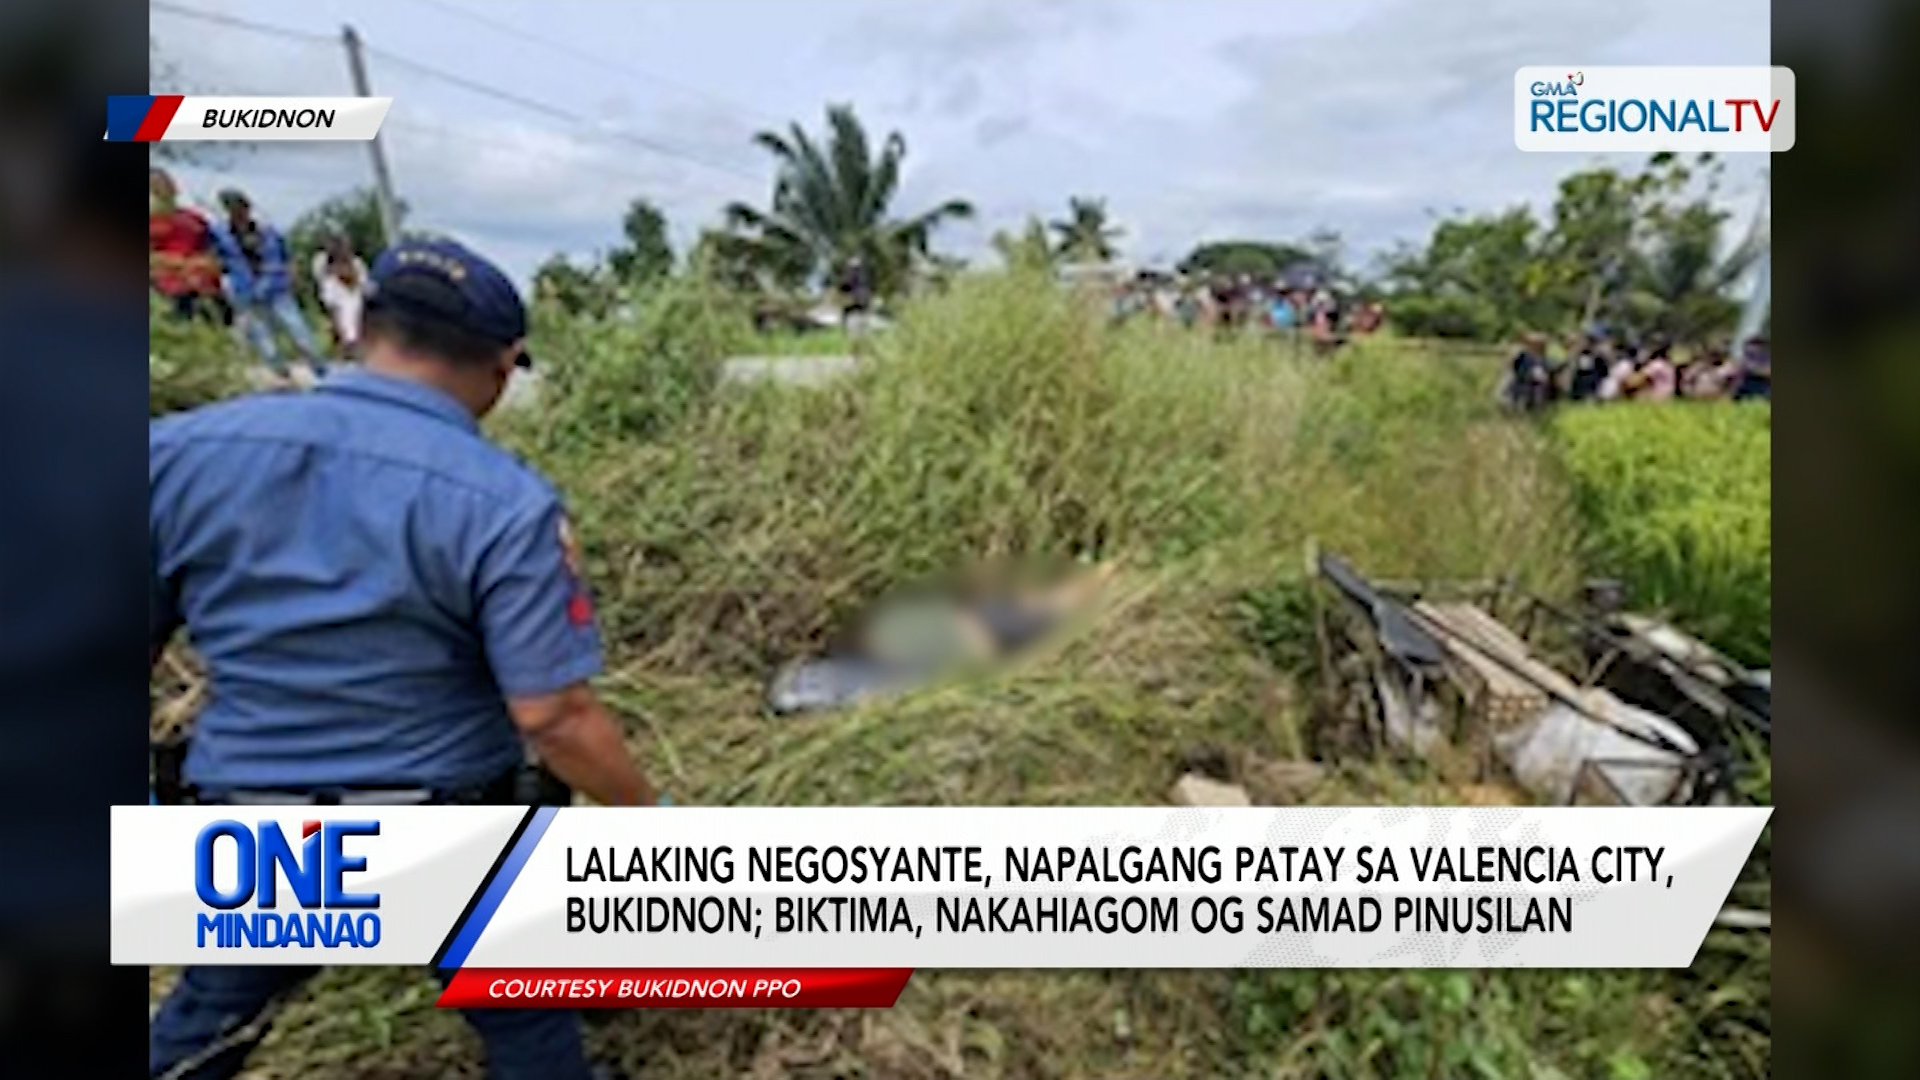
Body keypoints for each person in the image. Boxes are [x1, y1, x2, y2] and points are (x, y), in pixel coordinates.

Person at [148, 238, 652, 1080]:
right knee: (525, 1021)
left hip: (255, 829)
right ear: (501, 366)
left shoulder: (176, 455)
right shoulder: (504, 501)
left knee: (208, 1023)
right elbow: (554, 716)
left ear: (357, 330)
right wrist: (648, 818)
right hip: (450, 827)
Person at [209, 188, 327, 379]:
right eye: (232, 207)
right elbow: (216, 260)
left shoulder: (268, 231)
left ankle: (320, 368)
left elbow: (286, 256)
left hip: (276, 287)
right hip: (245, 292)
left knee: (298, 330)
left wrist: (290, 275)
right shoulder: (220, 235)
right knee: (264, 339)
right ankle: (281, 373)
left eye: (240, 206)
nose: (238, 212)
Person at [148, 168, 231, 325]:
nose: (162, 190)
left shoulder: (194, 218)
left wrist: (214, 263)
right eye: (155, 186)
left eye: (165, 184)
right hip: (170, 291)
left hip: (209, 290)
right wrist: (184, 264)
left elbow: (214, 249)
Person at [310, 233, 370, 359]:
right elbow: (333, 310)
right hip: (342, 313)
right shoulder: (330, 283)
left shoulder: (358, 266)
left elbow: (367, 292)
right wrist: (340, 333)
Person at [1505, 332, 1553, 411]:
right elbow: (1516, 368)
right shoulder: (1522, 355)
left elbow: (1549, 368)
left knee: (1537, 400)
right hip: (1523, 383)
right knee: (1518, 401)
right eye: (1534, 344)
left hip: (1538, 385)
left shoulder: (1544, 358)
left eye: (1539, 344)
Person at [1732, 335, 1770, 400]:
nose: (1752, 348)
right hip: (1744, 387)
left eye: (1756, 345)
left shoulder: (1766, 358)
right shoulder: (1745, 358)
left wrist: (1753, 369)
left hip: (1761, 387)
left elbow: (1767, 372)